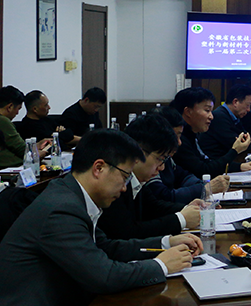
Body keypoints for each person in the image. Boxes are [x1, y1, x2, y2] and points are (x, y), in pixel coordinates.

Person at [0, 129, 202, 305]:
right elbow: (104, 276)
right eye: (125, 177)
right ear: (99, 168)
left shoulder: (70, 194)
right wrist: (161, 265)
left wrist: (166, 242)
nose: (125, 188)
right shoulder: (61, 210)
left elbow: (107, 247)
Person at [98, 114, 202, 240]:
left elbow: (153, 207)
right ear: (138, 152)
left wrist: (188, 209)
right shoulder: (114, 182)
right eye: (160, 159)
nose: (162, 167)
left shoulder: (136, 180)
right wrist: (181, 219)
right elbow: (127, 232)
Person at [145, 106, 230, 204]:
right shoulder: (150, 159)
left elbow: (183, 176)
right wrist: (204, 189)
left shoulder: (167, 158)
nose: (179, 142)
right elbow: (165, 197)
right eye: (175, 136)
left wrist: (202, 186)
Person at [170, 87, 251, 178]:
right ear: (188, 112)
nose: (211, 117)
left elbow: (207, 164)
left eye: (211, 111)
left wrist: (239, 166)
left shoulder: (191, 133)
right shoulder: (178, 139)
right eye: (207, 110)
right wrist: (235, 150)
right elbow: (204, 171)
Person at [199, 84, 251, 157]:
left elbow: (247, 137)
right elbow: (240, 144)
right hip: (216, 163)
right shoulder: (219, 117)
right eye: (247, 105)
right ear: (235, 102)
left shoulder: (233, 116)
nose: (248, 110)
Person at [0, 86, 50, 168]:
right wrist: (38, 154)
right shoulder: (3, 121)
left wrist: (35, 145)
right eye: (18, 109)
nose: (17, 113)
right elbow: (22, 150)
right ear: (10, 107)